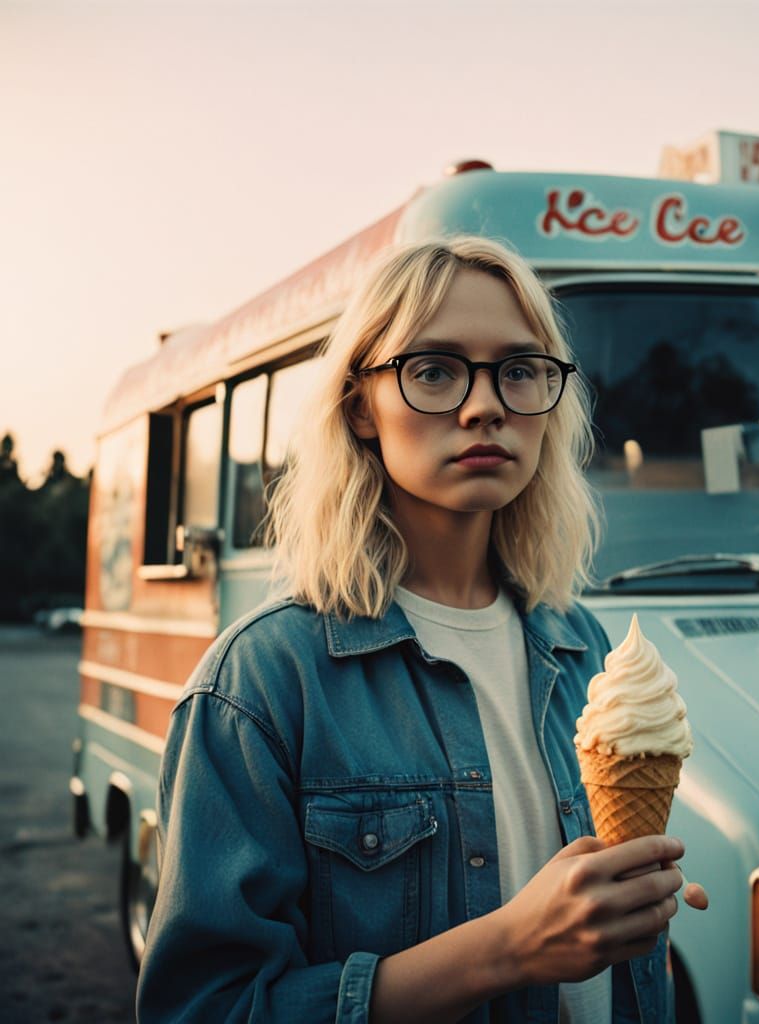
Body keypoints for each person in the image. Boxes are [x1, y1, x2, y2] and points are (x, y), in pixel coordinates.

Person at [136, 236, 708, 1023]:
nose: (485, 406)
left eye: (519, 370)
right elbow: (206, 1008)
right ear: (359, 409)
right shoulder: (262, 682)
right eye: (434, 370)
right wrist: (509, 947)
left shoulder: (583, 648)